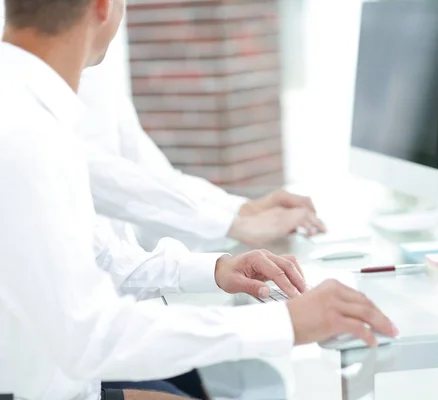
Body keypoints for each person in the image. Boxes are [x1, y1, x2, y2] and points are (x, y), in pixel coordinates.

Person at [0, 1, 398, 400]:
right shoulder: (23, 134)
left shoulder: (29, 112)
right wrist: (285, 324)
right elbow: (91, 338)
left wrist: (217, 269)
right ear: (103, 6)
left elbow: (98, 257)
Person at [77, 45, 326, 252]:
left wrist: (239, 210)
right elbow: (88, 171)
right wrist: (232, 223)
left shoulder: (98, 70)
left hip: (121, 275)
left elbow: (148, 172)